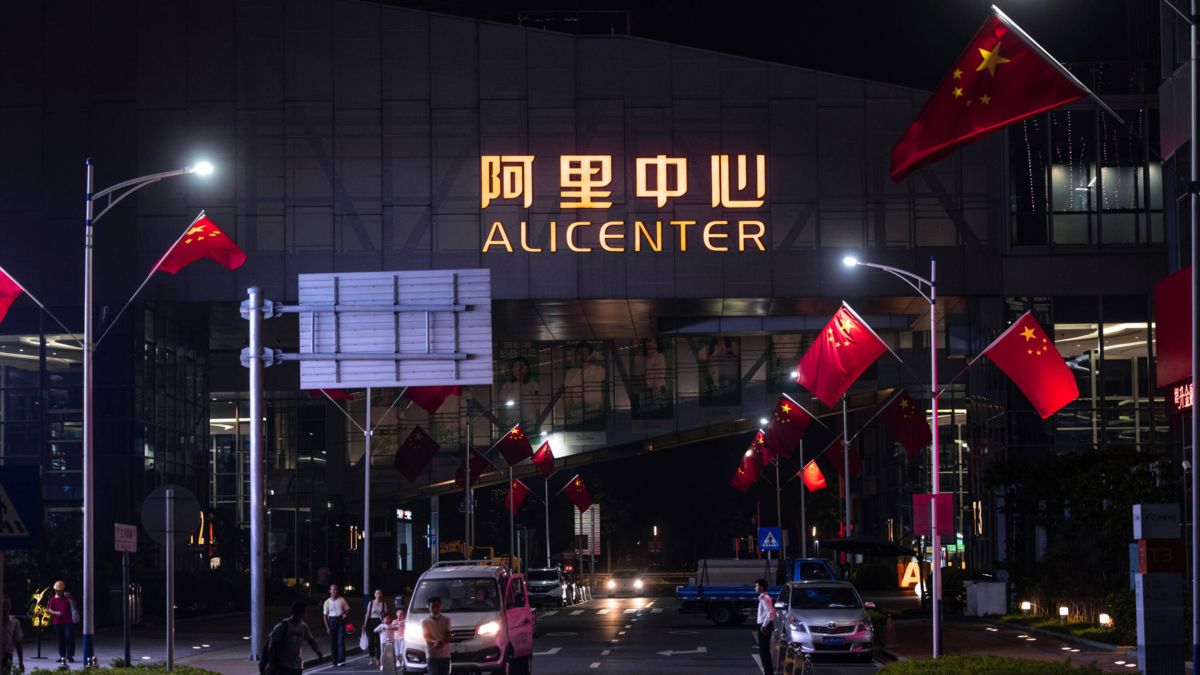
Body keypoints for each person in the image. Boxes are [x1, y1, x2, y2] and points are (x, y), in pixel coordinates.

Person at [270, 601, 323, 675]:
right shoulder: (282, 626)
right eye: (306, 613)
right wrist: (270, 663)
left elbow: (311, 641)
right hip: (283, 666)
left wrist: (317, 651)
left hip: (297, 666)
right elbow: (272, 644)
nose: (307, 615)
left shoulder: (303, 627)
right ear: (301, 614)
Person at [564, 343, 604, 424]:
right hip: (578, 414)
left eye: (585, 353)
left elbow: (612, 373)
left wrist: (602, 360)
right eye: (579, 353)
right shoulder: (571, 373)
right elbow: (567, 396)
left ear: (590, 355)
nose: (582, 356)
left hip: (595, 413)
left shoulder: (598, 370)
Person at [499, 356, 540, 426]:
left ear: (527, 369)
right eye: (515, 368)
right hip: (512, 423)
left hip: (530, 424)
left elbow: (538, 406)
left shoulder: (533, 384)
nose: (518, 371)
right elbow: (500, 404)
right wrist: (506, 390)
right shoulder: (508, 385)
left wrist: (532, 389)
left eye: (522, 368)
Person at [46, 581, 75, 664]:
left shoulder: (67, 597)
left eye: (59, 591)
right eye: (56, 591)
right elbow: (49, 610)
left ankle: (69, 655)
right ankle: (62, 656)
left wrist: (69, 598)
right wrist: (55, 613)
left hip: (67, 621)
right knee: (60, 639)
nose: (58, 592)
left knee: (68, 637)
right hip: (57, 622)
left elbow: (74, 605)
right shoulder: (53, 599)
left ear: (63, 590)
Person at [421, 597, 451, 675]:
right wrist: (435, 642)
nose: (435, 609)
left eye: (437, 606)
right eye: (433, 607)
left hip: (444, 654)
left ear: (441, 606)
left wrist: (441, 641)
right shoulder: (425, 621)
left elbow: (449, 635)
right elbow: (426, 637)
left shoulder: (446, 619)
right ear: (429, 607)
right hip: (432, 654)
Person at [322, 584, 350, 667]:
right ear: (330, 591)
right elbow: (325, 616)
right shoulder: (327, 602)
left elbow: (347, 609)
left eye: (336, 590)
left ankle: (341, 660)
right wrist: (327, 627)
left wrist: (345, 614)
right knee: (333, 642)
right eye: (333, 590)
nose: (335, 591)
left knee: (340, 641)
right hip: (331, 621)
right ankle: (335, 660)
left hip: (340, 620)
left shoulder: (341, 600)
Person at [362, 590, 389, 667]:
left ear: (382, 595)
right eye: (377, 593)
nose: (378, 595)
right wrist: (365, 623)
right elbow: (368, 613)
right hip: (371, 622)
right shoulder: (371, 603)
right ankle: (371, 659)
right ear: (374, 594)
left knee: (379, 642)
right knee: (371, 642)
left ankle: (378, 659)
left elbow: (385, 614)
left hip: (379, 622)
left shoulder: (383, 604)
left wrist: (385, 622)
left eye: (380, 593)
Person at [755, 578, 776, 675]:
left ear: (761, 587)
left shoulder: (764, 598)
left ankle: (768, 672)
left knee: (764, 650)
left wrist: (764, 626)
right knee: (764, 650)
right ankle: (768, 671)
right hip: (765, 624)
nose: (755, 588)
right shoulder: (764, 597)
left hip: (764, 625)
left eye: (756, 586)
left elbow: (771, 613)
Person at [2, 598, 24, 674]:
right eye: (3, 606)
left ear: (10, 608)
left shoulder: (14, 623)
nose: (5, 609)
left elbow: (19, 643)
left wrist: (21, 662)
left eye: (7, 606)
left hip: (6, 655)